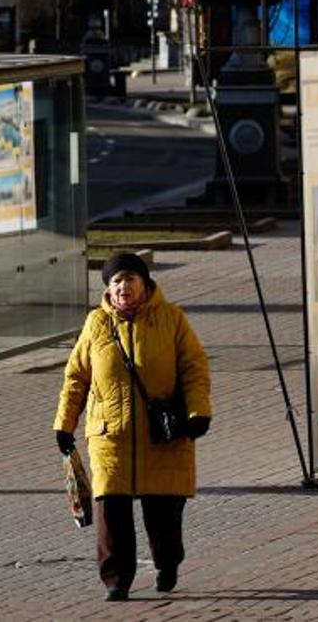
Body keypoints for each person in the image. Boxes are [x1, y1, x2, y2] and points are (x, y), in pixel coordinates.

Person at [53, 251, 212, 601]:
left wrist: (198, 412)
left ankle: (167, 563)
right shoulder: (96, 323)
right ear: (108, 289)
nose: (123, 287)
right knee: (111, 511)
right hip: (110, 434)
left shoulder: (172, 319)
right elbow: (76, 377)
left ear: (145, 284)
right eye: (116, 281)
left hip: (163, 434)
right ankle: (116, 579)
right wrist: (64, 424)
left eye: (130, 279)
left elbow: (194, 368)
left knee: (164, 514)